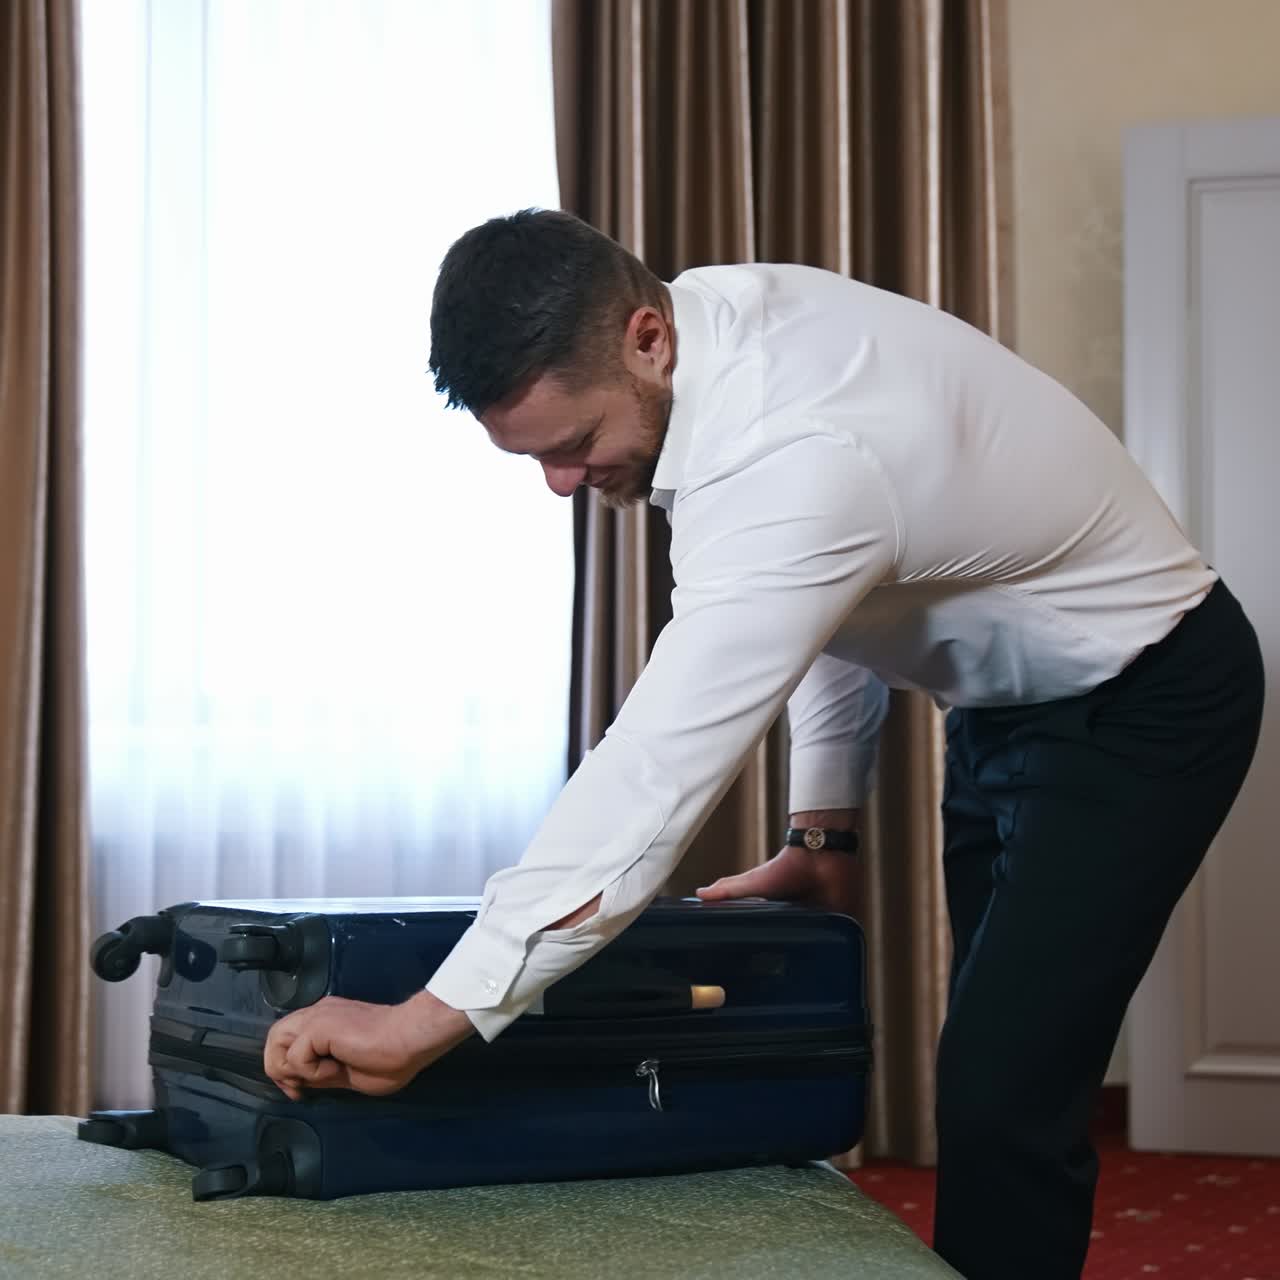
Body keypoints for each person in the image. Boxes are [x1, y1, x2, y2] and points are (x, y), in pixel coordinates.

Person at [263, 209, 1264, 1280]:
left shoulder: (793, 450)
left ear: (644, 338)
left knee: (1003, 1084)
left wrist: (428, 1018)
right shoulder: (711, 344)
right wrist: (819, 827)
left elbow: (653, 768)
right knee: (993, 1060)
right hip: (995, 706)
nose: (559, 483)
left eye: (568, 445)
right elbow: (833, 593)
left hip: (1149, 697)